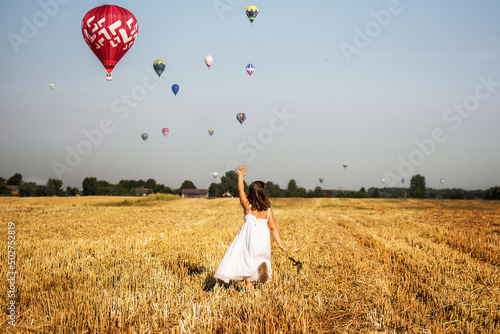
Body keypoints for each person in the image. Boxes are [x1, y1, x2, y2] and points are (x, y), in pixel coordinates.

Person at [214, 165, 288, 290]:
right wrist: (279, 243)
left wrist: (240, 176)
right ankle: (261, 266)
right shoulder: (268, 210)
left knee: (247, 261)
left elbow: (240, 191)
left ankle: (249, 288)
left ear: (251, 193)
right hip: (263, 241)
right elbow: (273, 227)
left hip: (249, 240)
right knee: (260, 258)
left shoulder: (248, 206)